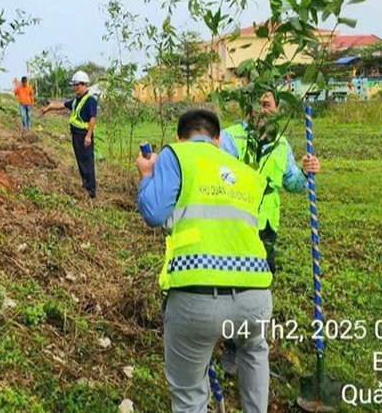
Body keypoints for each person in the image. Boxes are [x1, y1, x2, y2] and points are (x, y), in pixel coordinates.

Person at [136, 109, 272, 413]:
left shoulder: (177, 155)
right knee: (253, 354)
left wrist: (146, 176)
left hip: (195, 296)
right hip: (255, 295)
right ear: (218, 139)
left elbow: (154, 213)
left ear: (179, 138)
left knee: (189, 395)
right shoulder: (244, 173)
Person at [217, 90, 320, 373]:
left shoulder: (281, 142)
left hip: (266, 229)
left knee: (259, 288)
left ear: (276, 110)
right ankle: (231, 347)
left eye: (267, 104)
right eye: (255, 104)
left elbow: (291, 182)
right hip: (235, 225)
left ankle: (251, 346)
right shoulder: (229, 138)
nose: (261, 110)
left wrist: (306, 172)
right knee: (231, 286)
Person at [39, 70, 97, 199]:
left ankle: (91, 190)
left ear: (84, 84)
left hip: (84, 135)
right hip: (76, 134)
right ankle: (85, 184)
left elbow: (93, 118)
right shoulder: (76, 101)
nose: (75, 87)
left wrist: (88, 135)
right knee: (81, 161)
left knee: (87, 162)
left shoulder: (90, 100)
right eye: (74, 85)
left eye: (77, 85)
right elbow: (62, 105)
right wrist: (49, 107)